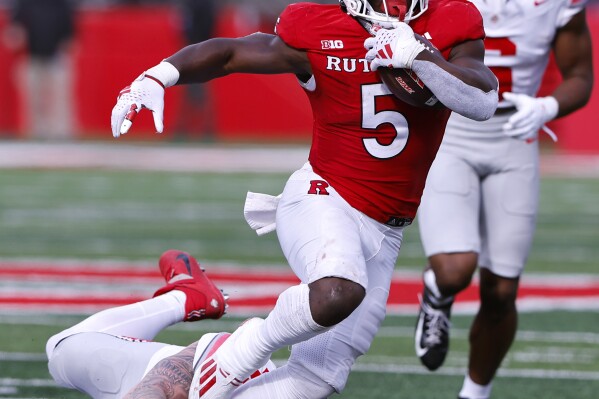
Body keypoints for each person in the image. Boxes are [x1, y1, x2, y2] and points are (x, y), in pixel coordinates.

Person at [110, 1, 498, 398]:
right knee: (337, 292)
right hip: (324, 196)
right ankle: (232, 353)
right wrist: (158, 76)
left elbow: (482, 101)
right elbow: (230, 53)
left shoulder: (451, 18)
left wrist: (422, 56)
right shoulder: (319, 24)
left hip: (386, 229)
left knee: (318, 377)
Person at [413, 1, 594, 398]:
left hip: (515, 137)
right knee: (454, 270)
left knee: (502, 292)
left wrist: (549, 105)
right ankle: (436, 292)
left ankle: (474, 393)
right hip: (450, 133)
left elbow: (580, 75)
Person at [46, 249, 275, 399]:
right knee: (62, 352)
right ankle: (185, 298)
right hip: (176, 376)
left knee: (61, 351)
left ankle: (185, 297)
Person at [4, 0, 76, 139]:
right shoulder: (25, 3)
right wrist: (15, 36)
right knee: (34, 101)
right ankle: (37, 133)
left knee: (59, 100)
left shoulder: (61, 4)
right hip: (31, 57)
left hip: (56, 58)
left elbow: (70, 33)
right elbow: (14, 29)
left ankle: (61, 133)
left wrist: (67, 46)